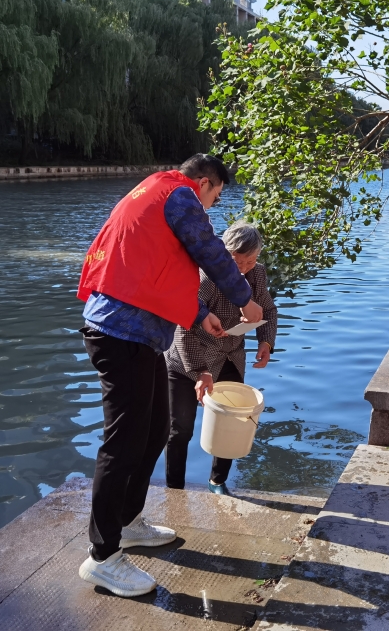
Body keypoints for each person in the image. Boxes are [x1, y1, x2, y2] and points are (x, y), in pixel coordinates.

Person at [75, 154, 264, 597]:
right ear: (204, 182)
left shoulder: (155, 191)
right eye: (215, 195)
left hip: (136, 334)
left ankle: (127, 521)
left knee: (158, 428)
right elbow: (209, 251)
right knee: (122, 441)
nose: (212, 207)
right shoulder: (180, 195)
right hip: (119, 332)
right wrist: (243, 299)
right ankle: (102, 557)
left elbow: (156, 270)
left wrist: (200, 317)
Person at [164, 221, 278, 495]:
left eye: (250, 261)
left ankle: (217, 480)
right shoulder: (206, 276)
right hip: (186, 360)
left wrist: (265, 341)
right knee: (180, 429)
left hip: (230, 357)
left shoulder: (257, 275)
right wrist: (200, 371)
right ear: (223, 253)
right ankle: (174, 488)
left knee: (231, 421)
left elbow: (268, 311)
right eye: (237, 260)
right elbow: (184, 323)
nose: (243, 267)